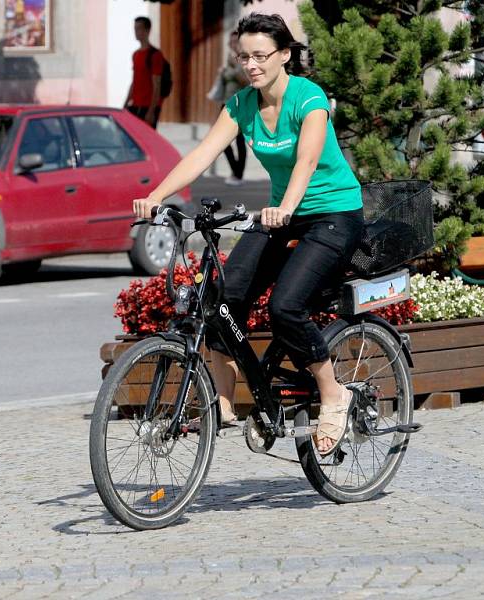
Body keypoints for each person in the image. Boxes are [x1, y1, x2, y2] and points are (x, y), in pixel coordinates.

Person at [133, 13, 364, 457]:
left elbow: (307, 162)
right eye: (244, 57)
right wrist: (156, 196)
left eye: (261, 56)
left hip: (333, 215)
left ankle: (334, 395)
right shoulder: (241, 104)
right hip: (282, 214)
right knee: (219, 296)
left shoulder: (308, 98)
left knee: (285, 306)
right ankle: (225, 401)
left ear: (284, 55)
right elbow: (202, 153)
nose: (251, 65)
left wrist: (288, 207)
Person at [219, 31, 250, 186]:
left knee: (239, 140)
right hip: (226, 101)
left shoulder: (244, 60)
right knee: (222, 141)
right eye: (230, 42)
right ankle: (236, 171)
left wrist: (234, 66)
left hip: (240, 103)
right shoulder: (229, 58)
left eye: (235, 42)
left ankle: (238, 174)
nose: (233, 45)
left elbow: (246, 81)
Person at [124, 16, 165, 129]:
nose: (136, 32)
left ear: (147, 30)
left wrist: (151, 110)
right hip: (135, 104)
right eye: (135, 29)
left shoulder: (155, 55)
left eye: (139, 28)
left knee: (146, 140)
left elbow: (157, 85)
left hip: (147, 106)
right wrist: (126, 102)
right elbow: (135, 81)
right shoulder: (136, 54)